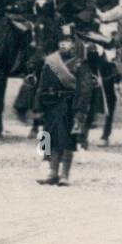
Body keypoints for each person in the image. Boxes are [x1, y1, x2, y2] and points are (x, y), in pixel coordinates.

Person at [34, 32, 91, 187]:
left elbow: (85, 89)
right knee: (48, 137)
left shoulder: (80, 64)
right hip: (51, 104)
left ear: (73, 44)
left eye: (67, 42)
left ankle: (64, 174)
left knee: (67, 140)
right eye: (61, 42)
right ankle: (51, 172)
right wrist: (38, 105)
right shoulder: (51, 61)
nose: (63, 44)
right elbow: (41, 85)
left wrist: (80, 111)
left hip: (69, 106)